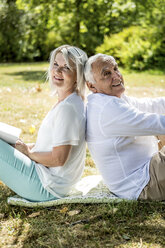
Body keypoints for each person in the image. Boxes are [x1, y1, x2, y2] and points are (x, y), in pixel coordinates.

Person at [0, 45, 88, 202]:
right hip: (47, 179)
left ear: (78, 75)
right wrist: (25, 147)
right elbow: (51, 145)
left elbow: (58, 159)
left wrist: (28, 152)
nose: (58, 71)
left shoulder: (68, 108)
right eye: (56, 64)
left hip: (46, 187)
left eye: (66, 67)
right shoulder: (69, 102)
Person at [84, 53, 165, 201]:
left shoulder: (111, 99)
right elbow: (155, 123)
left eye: (116, 69)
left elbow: (152, 106)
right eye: (107, 73)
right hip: (143, 185)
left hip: (146, 173)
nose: (116, 76)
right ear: (91, 85)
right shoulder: (106, 108)